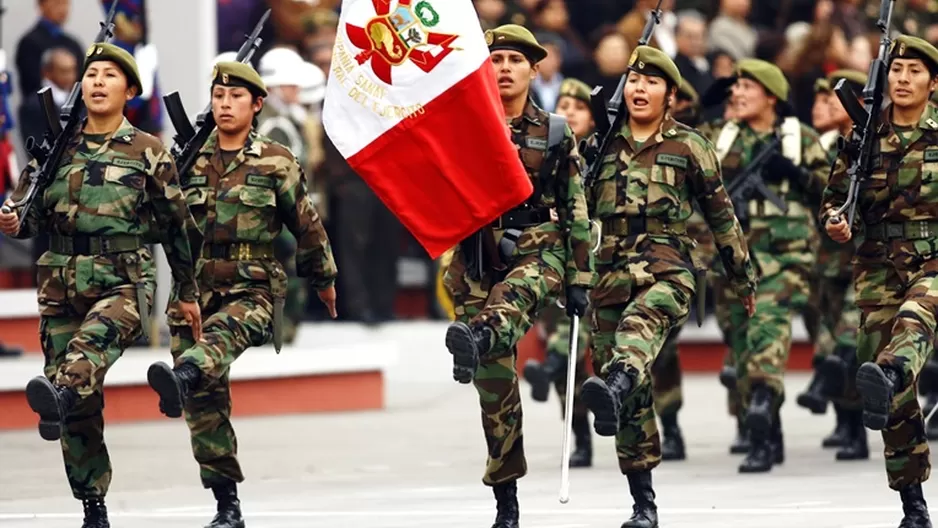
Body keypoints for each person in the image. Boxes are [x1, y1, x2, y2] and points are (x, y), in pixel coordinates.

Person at [0, 43, 201, 528]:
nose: (96, 82)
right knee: (78, 405)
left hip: (124, 280)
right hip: (61, 282)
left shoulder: (148, 151)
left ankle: (62, 389)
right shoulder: (55, 148)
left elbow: (178, 227)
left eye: (109, 75)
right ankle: (92, 503)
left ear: (129, 90)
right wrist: (11, 220)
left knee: (83, 357)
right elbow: (27, 215)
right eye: (91, 74)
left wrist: (188, 294)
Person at [146, 61, 337, 528]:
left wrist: (324, 279)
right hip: (194, 287)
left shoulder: (275, 159)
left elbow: (306, 224)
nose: (225, 104)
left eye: (235, 97)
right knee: (205, 408)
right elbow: (157, 224)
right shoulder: (186, 160)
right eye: (218, 96)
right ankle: (226, 505)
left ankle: (187, 370)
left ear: (256, 104)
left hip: (252, 285)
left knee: (221, 338)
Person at [581, 45, 756, 528]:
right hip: (609, 274)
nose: (640, 89)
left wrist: (741, 275)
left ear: (671, 96)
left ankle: (617, 378)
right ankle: (644, 504)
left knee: (638, 332)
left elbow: (722, 215)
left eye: (652, 83)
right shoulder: (600, 147)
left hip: (668, 267)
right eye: (633, 81)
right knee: (629, 397)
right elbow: (574, 216)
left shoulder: (689, 145)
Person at [442, 25, 594, 528]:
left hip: (537, 250)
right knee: (496, 389)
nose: (504, 68)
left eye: (514, 59)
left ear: (534, 69)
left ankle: (482, 333)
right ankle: (506, 501)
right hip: (476, 259)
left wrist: (580, 278)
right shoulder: (462, 125)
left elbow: (574, 207)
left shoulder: (553, 130)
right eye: (495, 59)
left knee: (513, 298)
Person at [822, 35, 938, 527]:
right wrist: (836, 221)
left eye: (914, 71)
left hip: (933, 259)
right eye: (896, 71)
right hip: (876, 264)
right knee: (888, 393)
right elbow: (833, 201)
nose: (903, 79)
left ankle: (892, 371)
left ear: (933, 83)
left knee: (913, 325)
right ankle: (912, 503)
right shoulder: (862, 137)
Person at [701, 58, 832, 475]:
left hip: (786, 255)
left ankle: (759, 430)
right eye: (734, 87)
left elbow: (836, 193)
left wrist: (797, 176)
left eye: (747, 87)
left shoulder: (800, 139)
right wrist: (702, 109)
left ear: (771, 96)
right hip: (735, 261)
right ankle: (767, 429)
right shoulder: (720, 140)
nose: (737, 93)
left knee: (767, 329)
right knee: (740, 343)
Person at [522, 77, 596, 469]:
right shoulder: (546, 152)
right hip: (551, 259)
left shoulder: (603, 154)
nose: (569, 112)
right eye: (563, 104)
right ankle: (580, 436)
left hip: (597, 265)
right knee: (569, 359)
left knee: (577, 342)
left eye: (579, 107)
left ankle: (659, 423)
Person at [799, 69, 870, 462]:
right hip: (827, 261)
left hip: (863, 259)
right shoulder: (823, 147)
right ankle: (845, 422)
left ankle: (857, 430)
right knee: (828, 341)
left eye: (832, 100)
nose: (822, 106)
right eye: (820, 100)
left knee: (848, 342)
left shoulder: (867, 144)